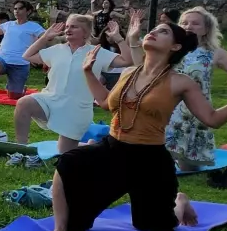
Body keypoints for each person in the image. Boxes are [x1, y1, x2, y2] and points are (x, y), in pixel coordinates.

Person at [46, 23, 227, 231]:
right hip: (113, 149)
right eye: (154, 29)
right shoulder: (129, 72)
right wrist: (88, 72)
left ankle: (180, 201)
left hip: (150, 160)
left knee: (156, 228)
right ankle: (60, 230)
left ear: (176, 46)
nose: (153, 32)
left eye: (164, 32)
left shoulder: (181, 82)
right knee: (68, 162)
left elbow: (212, 119)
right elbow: (104, 102)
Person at [13, 13, 135, 153]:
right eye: (67, 26)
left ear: (86, 33)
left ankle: (90, 144)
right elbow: (27, 56)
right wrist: (45, 37)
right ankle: (22, 150)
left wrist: (119, 39)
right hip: (50, 100)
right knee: (23, 103)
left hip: (77, 110)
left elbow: (127, 61)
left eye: (74, 27)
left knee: (65, 154)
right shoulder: (57, 50)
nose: (68, 29)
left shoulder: (96, 52)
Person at [168, 7, 227, 171]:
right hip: (169, 107)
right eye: (185, 23)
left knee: (189, 167)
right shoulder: (171, 48)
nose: (189, 26)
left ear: (206, 29)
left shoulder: (213, 53)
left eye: (195, 23)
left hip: (197, 109)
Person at [0, 0, 45, 101]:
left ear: (28, 11)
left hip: (20, 63)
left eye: (20, 9)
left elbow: (46, 37)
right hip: (2, 58)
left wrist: (52, 19)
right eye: (15, 9)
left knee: (14, 97)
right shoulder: (8, 24)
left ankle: (19, 89)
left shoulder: (34, 27)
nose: (17, 11)